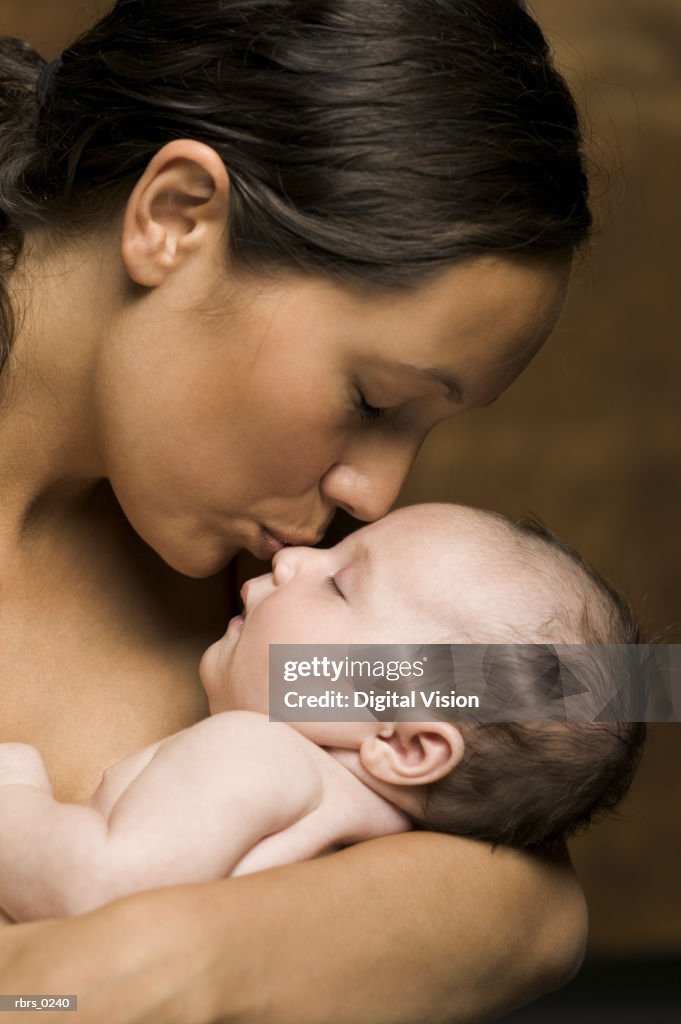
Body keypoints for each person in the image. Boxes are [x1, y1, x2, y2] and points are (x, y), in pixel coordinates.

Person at [0, 1, 594, 1021]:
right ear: (175, 217)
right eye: (373, 400)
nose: (377, 493)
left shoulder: (285, 590)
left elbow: (545, 888)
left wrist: (185, 957)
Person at [0, 504, 646, 925]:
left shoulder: (254, 754)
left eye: (338, 584)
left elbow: (90, 889)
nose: (292, 559)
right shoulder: (371, 830)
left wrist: (16, 783)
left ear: (408, 747)